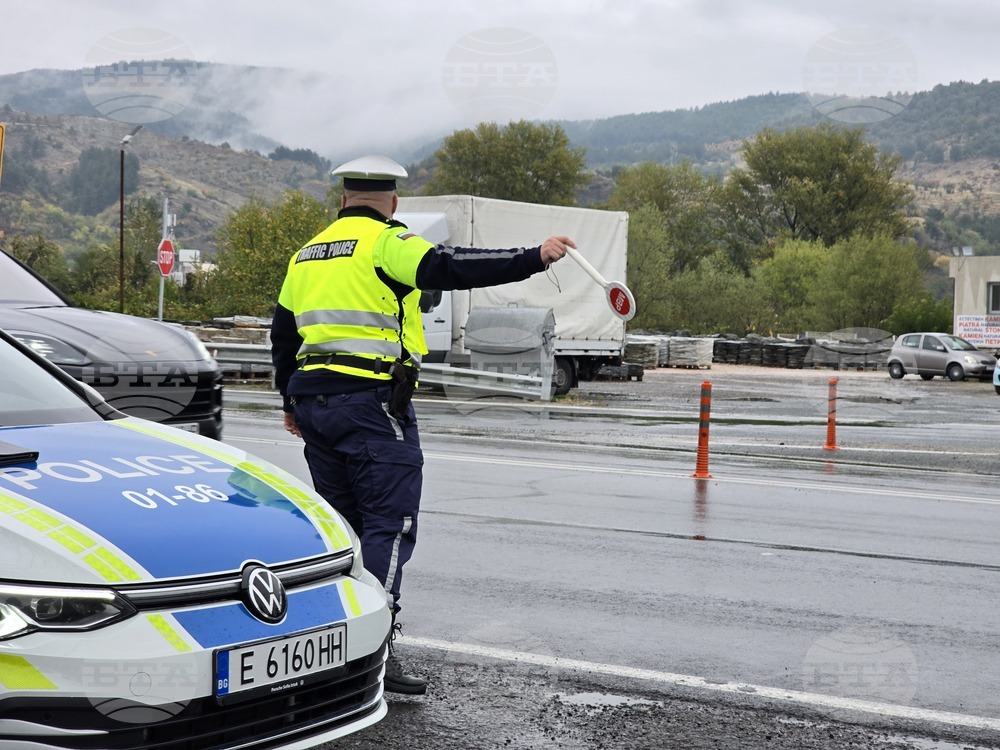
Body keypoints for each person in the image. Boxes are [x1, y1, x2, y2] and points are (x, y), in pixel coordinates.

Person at [270, 154, 574, 695]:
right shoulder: (388, 240)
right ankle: (373, 655)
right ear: (391, 202)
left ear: (342, 200)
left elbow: (284, 335)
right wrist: (534, 257)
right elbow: (451, 267)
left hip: (316, 407)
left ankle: (330, 652)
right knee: (389, 526)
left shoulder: (307, 253)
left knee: (344, 529)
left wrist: (289, 403)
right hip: (370, 405)